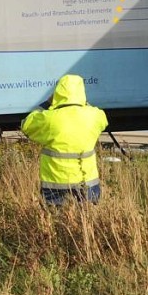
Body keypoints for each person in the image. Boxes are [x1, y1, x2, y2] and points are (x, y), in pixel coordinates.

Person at [21, 74, 108, 205]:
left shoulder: (49, 118)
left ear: (57, 92)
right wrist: (83, 103)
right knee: (87, 221)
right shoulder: (94, 116)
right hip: (87, 182)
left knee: (56, 222)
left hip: (55, 184)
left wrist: (47, 103)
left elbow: (26, 124)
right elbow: (103, 119)